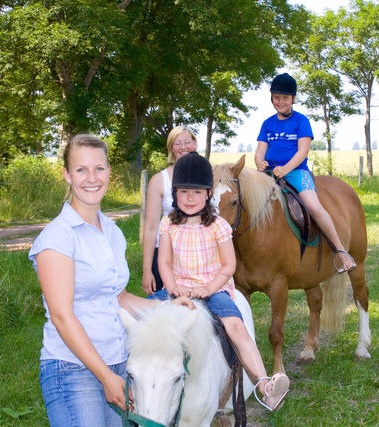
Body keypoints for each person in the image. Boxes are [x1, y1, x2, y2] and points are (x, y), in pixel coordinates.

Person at [28, 133, 194, 426]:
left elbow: (117, 297)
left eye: (99, 169)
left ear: (108, 173)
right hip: (74, 369)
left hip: (119, 361)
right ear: (67, 174)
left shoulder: (113, 232)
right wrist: (105, 375)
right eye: (81, 170)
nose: (91, 178)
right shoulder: (57, 236)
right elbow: (61, 316)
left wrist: (167, 308)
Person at [149, 151, 290, 411]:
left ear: (209, 194)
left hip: (213, 289)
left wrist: (209, 288)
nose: (190, 199)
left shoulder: (218, 227)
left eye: (197, 193)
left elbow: (228, 266)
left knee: (237, 328)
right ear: (175, 194)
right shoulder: (167, 224)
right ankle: (135, 381)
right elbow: (164, 264)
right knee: (140, 317)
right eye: (183, 192)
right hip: (177, 288)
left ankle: (264, 386)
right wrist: (172, 288)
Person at [255, 72, 357, 273]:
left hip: (296, 172)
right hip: (270, 173)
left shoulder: (301, 121)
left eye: (285, 97)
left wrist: (285, 169)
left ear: (293, 99)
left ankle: (340, 250)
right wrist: (259, 162)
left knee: (314, 206)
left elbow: (303, 152)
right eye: (277, 97)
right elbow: (260, 150)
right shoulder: (267, 123)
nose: (280, 101)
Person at [141, 126, 198, 295]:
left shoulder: (207, 175)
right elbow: (151, 227)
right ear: (171, 148)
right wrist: (147, 270)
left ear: (194, 144)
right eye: (177, 143)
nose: (182, 147)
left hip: (196, 251)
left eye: (187, 142)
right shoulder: (159, 180)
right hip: (165, 252)